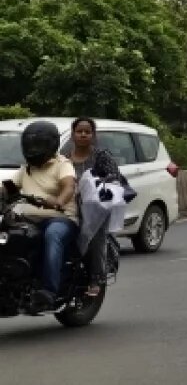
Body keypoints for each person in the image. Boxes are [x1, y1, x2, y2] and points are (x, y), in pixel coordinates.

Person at [8, 121, 79, 312]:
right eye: (30, 145)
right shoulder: (26, 169)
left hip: (59, 218)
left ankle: (48, 291)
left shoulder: (62, 164)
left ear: (51, 145)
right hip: (28, 219)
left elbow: (68, 186)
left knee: (52, 236)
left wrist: (59, 201)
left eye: (38, 145)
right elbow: (9, 188)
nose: (33, 149)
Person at [66, 117, 121, 296]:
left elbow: (115, 178)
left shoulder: (101, 156)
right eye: (79, 131)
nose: (83, 134)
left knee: (96, 234)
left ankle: (96, 278)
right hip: (69, 206)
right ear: (73, 134)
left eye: (87, 132)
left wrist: (96, 185)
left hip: (95, 209)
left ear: (93, 135)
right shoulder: (64, 159)